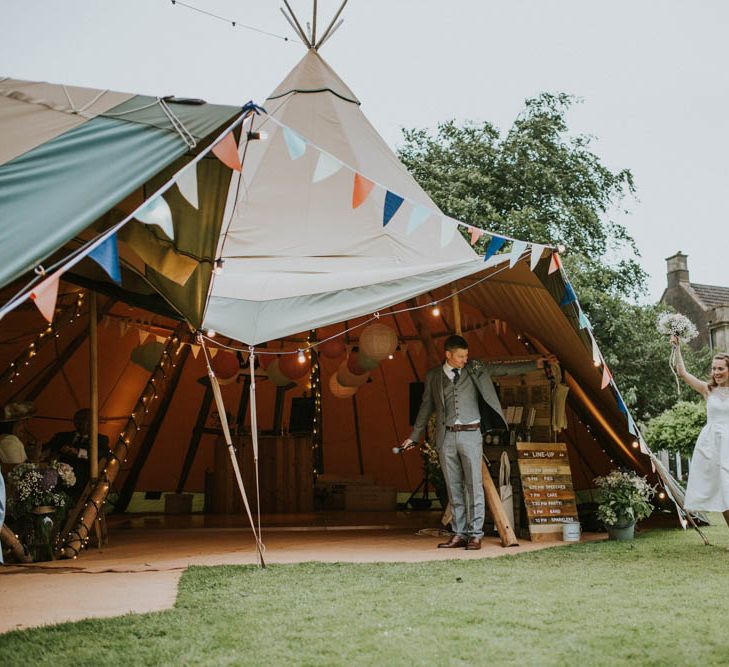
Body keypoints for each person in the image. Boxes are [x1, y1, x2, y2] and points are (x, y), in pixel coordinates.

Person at [401, 334, 507, 550]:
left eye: (466, 355)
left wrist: (537, 364)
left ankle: (475, 535)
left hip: (471, 434)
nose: (464, 360)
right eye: (460, 356)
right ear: (448, 355)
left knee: (474, 485)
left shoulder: (474, 368)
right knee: (453, 486)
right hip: (446, 435)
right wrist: (414, 436)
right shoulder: (433, 376)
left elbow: (501, 369)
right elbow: (425, 408)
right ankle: (458, 533)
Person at [672, 336, 729, 527]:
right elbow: (683, 373)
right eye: (714, 368)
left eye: (721, 368)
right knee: (722, 493)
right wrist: (677, 348)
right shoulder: (708, 390)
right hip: (712, 445)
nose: (716, 372)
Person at [46, 409, 109, 503]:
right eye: (80, 420)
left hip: (83, 483)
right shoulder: (62, 436)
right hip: (58, 482)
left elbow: (102, 454)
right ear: (75, 421)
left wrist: (79, 453)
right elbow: (47, 449)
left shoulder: (100, 439)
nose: (83, 423)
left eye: (88, 420)